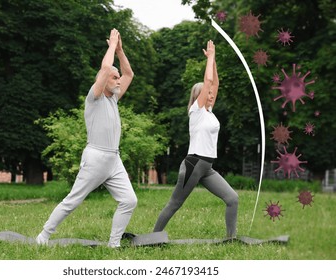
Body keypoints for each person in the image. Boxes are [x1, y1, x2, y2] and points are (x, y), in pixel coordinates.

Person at [36, 28, 137, 247]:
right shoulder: (95, 98)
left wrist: (120, 51)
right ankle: (43, 236)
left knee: (129, 200)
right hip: (95, 158)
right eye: (114, 77)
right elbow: (104, 69)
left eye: (117, 77)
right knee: (73, 201)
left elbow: (129, 74)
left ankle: (114, 244)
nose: (119, 80)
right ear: (103, 80)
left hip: (114, 159)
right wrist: (110, 46)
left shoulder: (114, 99)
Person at [153, 40, 239, 238]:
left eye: (211, 94)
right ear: (199, 96)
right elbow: (208, 82)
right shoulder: (197, 111)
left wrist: (214, 59)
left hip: (207, 167)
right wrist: (208, 59)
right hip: (193, 164)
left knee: (232, 198)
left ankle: (231, 239)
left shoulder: (208, 111)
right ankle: (153, 236)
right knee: (175, 203)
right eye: (207, 93)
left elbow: (214, 83)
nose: (211, 95)